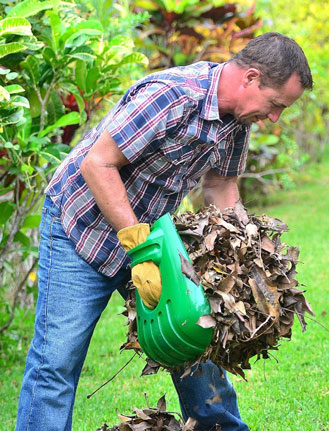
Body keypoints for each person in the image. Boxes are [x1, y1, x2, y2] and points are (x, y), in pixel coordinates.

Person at [15, 32, 312, 431]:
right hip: (80, 228)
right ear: (251, 78)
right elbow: (97, 164)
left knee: (196, 335)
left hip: (152, 238)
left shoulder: (237, 122)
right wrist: (138, 248)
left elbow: (220, 187)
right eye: (275, 105)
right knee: (57, 360)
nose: (275, 117)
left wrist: (244, 254)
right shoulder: (172, 96)